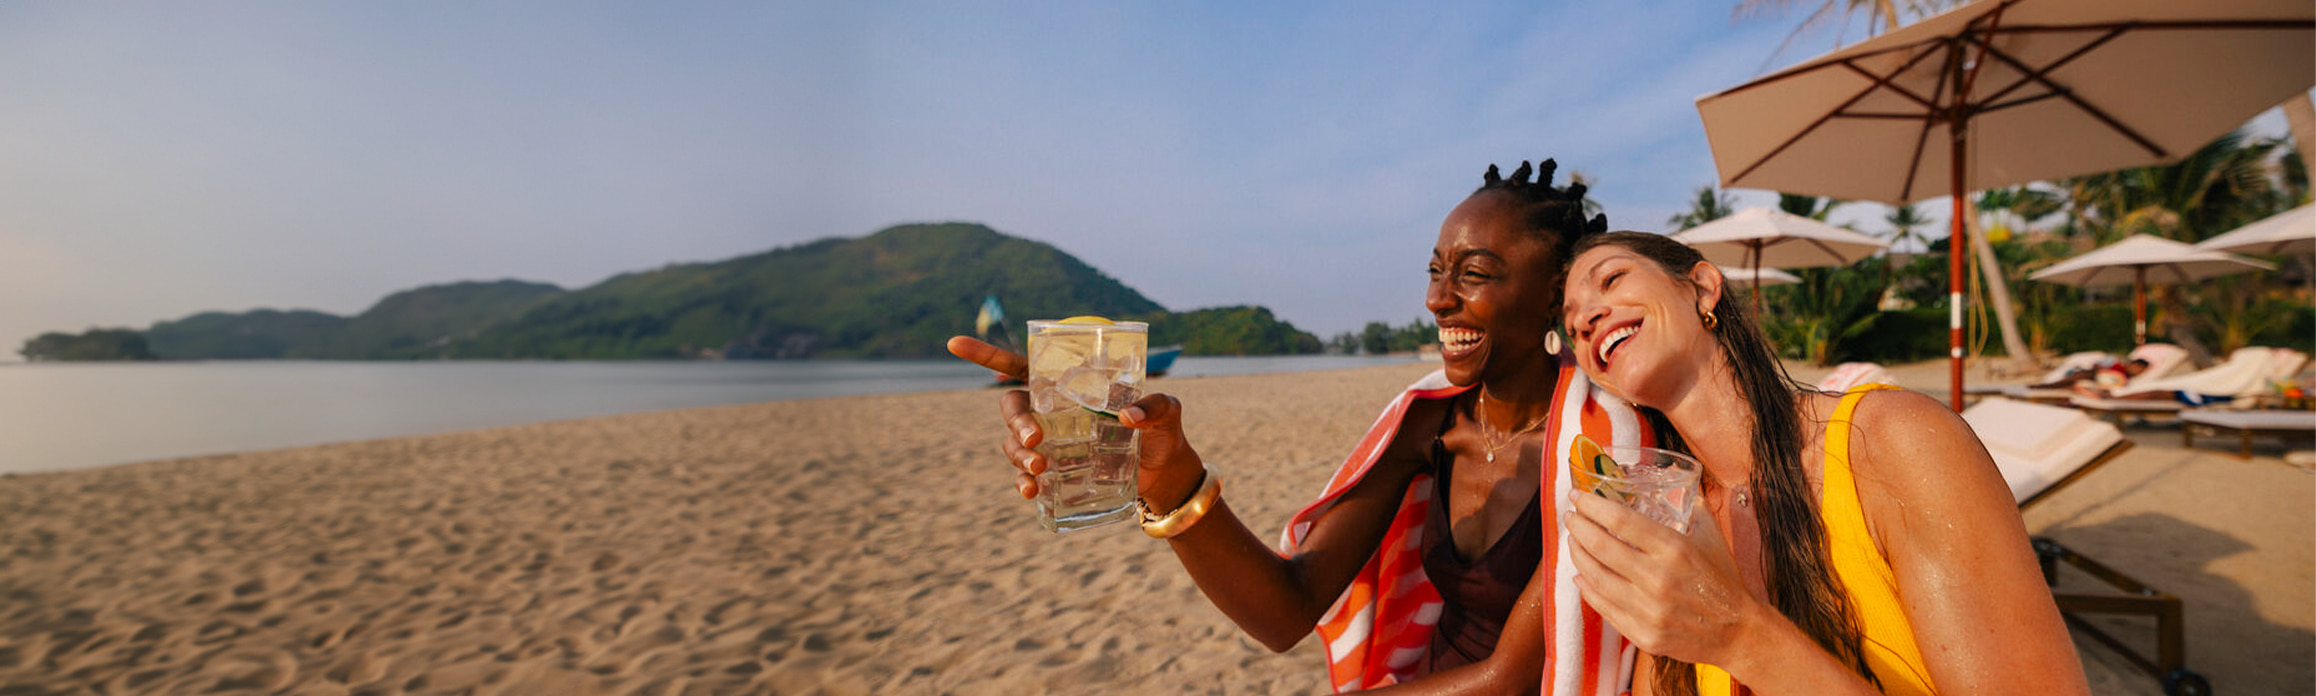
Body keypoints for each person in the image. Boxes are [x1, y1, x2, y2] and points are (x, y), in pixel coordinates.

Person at [948, 160, 1639, 694]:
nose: (1436, 299)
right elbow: (1287, 610)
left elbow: (1512, 678)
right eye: (1435, 271)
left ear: (1555, 292)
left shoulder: (1602, 450)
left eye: (1474, 273)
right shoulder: (1427, 428)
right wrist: (1168, 477)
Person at [1555, 231, 2091, 695]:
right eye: (1572, 323)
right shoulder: (1670, 517)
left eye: (1611, 280)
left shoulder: (1892, 442)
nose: (1586, 320)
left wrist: (1740, 636)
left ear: (1701, 287)